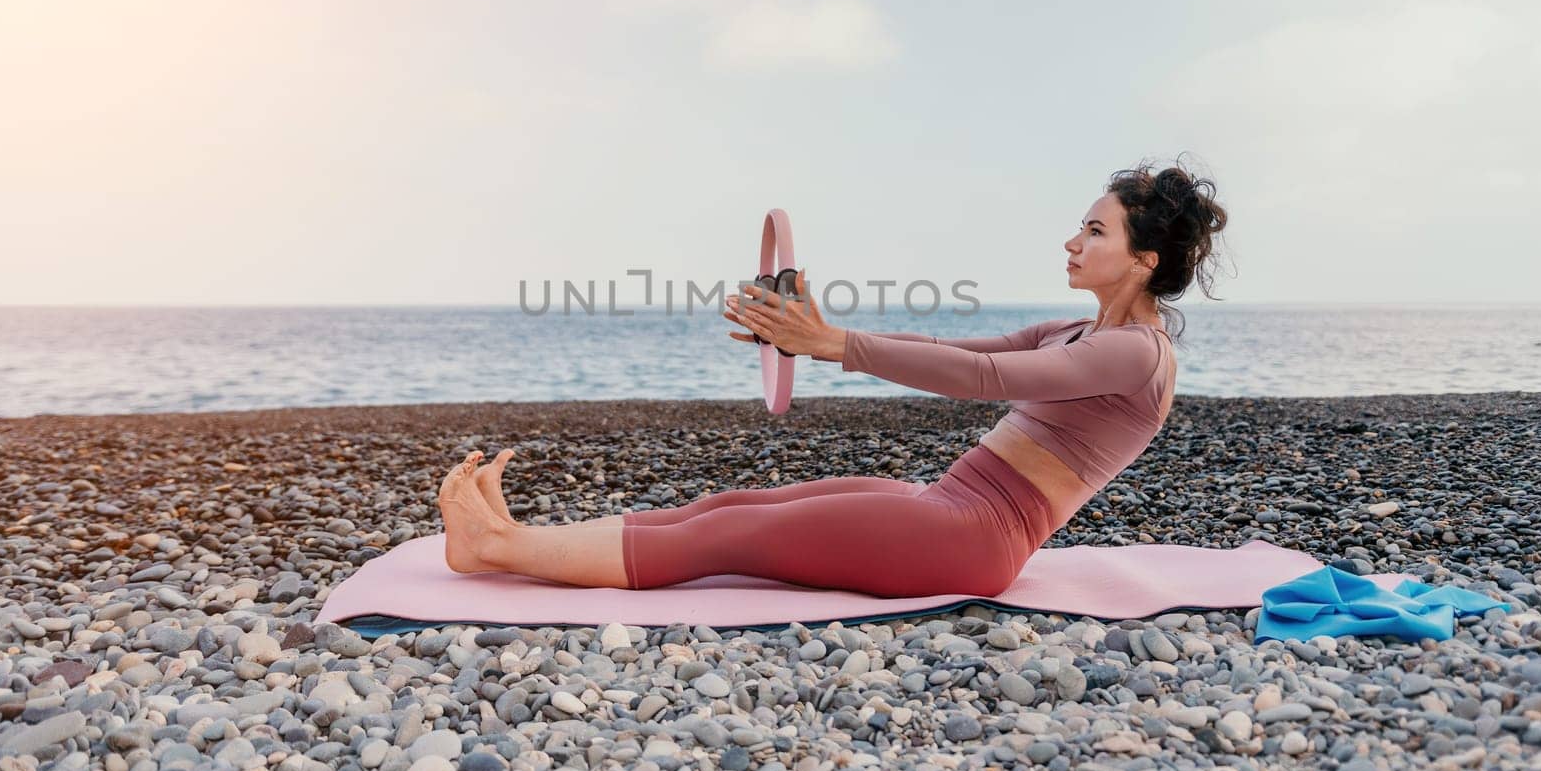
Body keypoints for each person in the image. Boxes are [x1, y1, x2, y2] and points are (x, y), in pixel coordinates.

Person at [438, 160, 1228, 597]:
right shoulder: (1079, 331)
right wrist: (811, 337)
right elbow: (950, 343)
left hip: (975, 538)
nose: (1072, 240)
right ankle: (511, 545)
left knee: (729, 537)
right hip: (945, 504)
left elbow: (985, 377)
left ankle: (502, 546)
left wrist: (835, 342)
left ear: (1145, 257)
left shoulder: (1137, 354)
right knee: (727, 504)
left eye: (1095, 229)